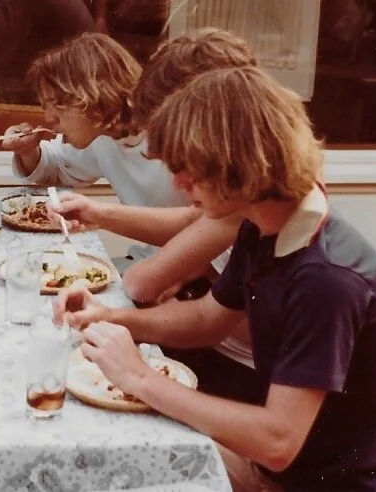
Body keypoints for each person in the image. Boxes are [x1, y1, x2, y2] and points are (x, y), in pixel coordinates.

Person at [55, 66, 376, 491]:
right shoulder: (265, 226)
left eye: (189, 169)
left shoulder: (327, 278)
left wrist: (139, 378)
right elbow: (208, 318)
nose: (178, 183)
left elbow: (278, 441)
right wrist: (109, 317)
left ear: (239, 163)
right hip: (276, 470)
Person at [50, 28, 262, 403]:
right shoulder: (240, 193)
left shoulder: (250, 210)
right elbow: (204, 311)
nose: (176, 179)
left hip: (243, 371)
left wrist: (142, 379)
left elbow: (146, 284)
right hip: (216, 348)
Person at [1, 33, 187, 213]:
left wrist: (101, 215)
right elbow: (56, 167)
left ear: (94, 96)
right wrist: (28, 151)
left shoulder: (177, 135)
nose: (49, 118)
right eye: (46, 107)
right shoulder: (101, 134)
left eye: (58, 104)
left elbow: (197, 221)